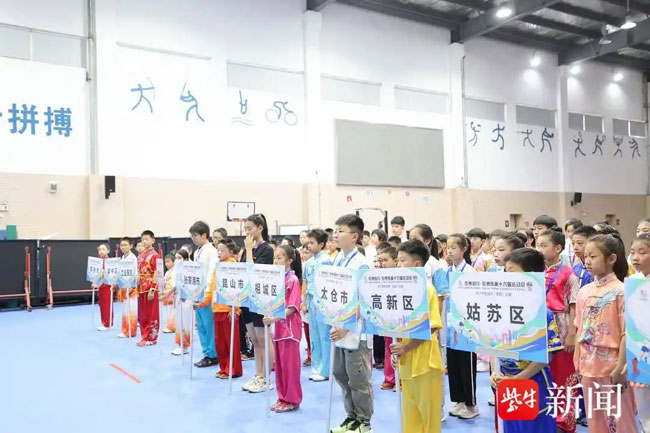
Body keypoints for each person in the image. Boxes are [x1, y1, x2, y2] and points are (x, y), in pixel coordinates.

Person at [491, 248, 561, 433]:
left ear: (531, 276)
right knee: (512, 426)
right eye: (505, 271)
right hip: (506, 379)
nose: (506, 277)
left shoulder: (541, 313)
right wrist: (495, 372)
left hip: (533, 381)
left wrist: (516, 380)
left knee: (534, 426)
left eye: (512, 271)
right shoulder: (499, 310)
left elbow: (545, 357)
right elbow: (492, 345)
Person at [574, 234, 637, 433]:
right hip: (587, 364)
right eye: (586, 256)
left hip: (612, 365)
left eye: (593, 256)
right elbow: (579, 329)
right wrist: (577, 361)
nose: (587, 261)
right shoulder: (584, 291)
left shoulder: (622, 291)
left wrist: (621, 367)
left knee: (621, 419)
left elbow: (627, 332)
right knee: (595, 419)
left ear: (611, 258)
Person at [389, 240, 443, 433]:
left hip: (425, 363)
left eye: (402, 260)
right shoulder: (399, 291)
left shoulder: (428, 289)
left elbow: (430, 328)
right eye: (397, 260)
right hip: (407, 361)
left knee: (429, 417)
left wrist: (405, 347)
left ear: (417, 264)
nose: (398, 264)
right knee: (410, 415)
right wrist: (397, 349)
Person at [330, 214, 373, 433]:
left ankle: (364, 422)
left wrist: (345, 326)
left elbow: (363, 300)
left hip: (355, 331)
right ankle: (351, 417)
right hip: (339, 327)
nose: (336, 235)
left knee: (358, 378)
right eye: (335, 230)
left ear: (354, 236)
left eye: (341, 231)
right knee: (341, 374)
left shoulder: (361, 264)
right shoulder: (338, 259)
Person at [537, 228, 580, 432]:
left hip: (562, 328)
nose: (539, 249)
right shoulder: (536, 272)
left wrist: (572, 333)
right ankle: (548, 417)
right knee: (545, 374)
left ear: (558, 248)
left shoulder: (568, 274)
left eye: (543, 245)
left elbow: (574, 306)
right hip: (540, 328)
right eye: (538, 245)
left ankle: (564, 422)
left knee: (564, 377)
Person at [264, 245, 303, 412]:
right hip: (278, 329)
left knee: (289, 367)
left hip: (289, 330)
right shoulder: (277, 280)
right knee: (279, 366)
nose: (275, 261)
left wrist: (274, 317)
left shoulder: (293, 280)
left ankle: (292, 399)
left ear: (289, 260)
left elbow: (293, 307)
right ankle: (282, 397)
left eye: (279, 258)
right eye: (275, 257)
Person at [445, 233, 479, 420]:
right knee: (453, 364)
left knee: (466, 366)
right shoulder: (447, 271)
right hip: (450, 325)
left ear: (464, 249)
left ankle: (471, 404)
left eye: (453, 248)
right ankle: (459, 400)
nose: (449, 251)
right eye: (447, 247)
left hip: (466, 326)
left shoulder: (470, 272)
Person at [241, 214, 275, 393]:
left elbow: (252, 272)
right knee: (254, 340)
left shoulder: (266, 249)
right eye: (245, 229)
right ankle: (258, 374)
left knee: (264, 340)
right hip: (246, 301)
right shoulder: (246, 249)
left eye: (250, 228)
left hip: (260, 301)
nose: (247, 232)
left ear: (260, 228)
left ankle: (267, 377)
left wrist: (248, 250)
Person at [303, 229, 334, 382]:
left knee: (324, 336)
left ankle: (326, 369)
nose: (309, 246)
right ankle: (316, 367)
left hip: (322, 302)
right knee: (314, 336)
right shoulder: (308, 262)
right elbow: (305, 282)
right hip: (311, 301)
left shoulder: (326, 261)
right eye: (308, 243)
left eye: (312, 243)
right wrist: (304, 302)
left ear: (321, 244)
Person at [189, 221, 220, 368]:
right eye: (192, 236)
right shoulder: (197, 252)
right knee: (200, 325)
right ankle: (206, 352)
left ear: (204, 235)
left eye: (195, 235)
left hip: (207, 292)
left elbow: (212, 272)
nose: (193, 238)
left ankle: (213, 354)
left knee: (209, 325)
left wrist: (207, 291)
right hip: (197, 292)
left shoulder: (212, 251)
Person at [628, 233, 650, 433]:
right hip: (640, 353)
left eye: (642, 252)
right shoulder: (633, 282)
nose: (635, 257)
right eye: (633, 252)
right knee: (644, 410)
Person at [212, 238, 243, 379]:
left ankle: (234, 369)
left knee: (231, 342)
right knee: (220, 343)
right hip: (217, 308)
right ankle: (224, 368)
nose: (219, 252)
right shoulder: (218, 266)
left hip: (228, 310)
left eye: (222, 250)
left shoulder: (233, 266)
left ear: (230, 251)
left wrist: (235, 309)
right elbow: (212, 287)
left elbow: (238, 290)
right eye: (218, 250)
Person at [377, 246, 398, 391]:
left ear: (395, 261)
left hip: (399, 318)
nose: (382, 264)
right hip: (385, 317)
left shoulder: (402, 277)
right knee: (388, 346)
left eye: (385, 260)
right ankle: (389, 378)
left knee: (398, 347)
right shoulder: (379, 277)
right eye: (380, 261)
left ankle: (400, 379)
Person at [136, 230, 160, 347]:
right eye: (142, 240)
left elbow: (157, 272)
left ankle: (152, 338)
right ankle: (144, 336)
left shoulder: (155, 255)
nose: (144, 241)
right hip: (141, 288)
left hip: (150, 287)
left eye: (146, 239)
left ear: (153, 240)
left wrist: (153, 289)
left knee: (152, 314)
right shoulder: (140, 255)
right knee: (143, 314)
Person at [171, 249, 191, 355]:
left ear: (186, 259)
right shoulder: (176, 271)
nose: (177, 260)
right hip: (178, 298)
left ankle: (185, 346)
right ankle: (180, 344)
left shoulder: (190, 270)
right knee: (179, 322)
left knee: (185, 323)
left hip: (186, 300)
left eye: (180, 258)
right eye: (176, 258)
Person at [116, 237, 138, 338]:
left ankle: (131, 331)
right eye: (121, 245)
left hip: (131, 287)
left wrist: (131, 286)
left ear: (131, 246)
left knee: (131, 310)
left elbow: (135, 273)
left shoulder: (133, 258)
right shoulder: (122, 258)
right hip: (123, 286)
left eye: (125, 245)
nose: (123, 247)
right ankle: (125, 330)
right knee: (125, 310)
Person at [95, 243, 113, 331]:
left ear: (108, 251)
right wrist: (94, 282)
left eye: (103, 249)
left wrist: (98, 284)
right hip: (101, 286)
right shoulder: (99, 261)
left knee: (107, 305)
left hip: (107, 285)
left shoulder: (109, 261)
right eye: (100, 249)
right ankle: (105, 322)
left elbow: (105, 275)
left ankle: (107, 323)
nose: (101, 251)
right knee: (102, 304)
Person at [161, 253, 176, 333]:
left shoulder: (175, 272)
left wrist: (170, 295)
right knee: (168, 310)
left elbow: (175, 285)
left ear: (173, 262)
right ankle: (169, 325)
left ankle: (172, 327)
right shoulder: (167, 272)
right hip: (167, 292)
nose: (166, 264)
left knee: (172, 311)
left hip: (172, 293)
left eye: (168, 262)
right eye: (165, 262)